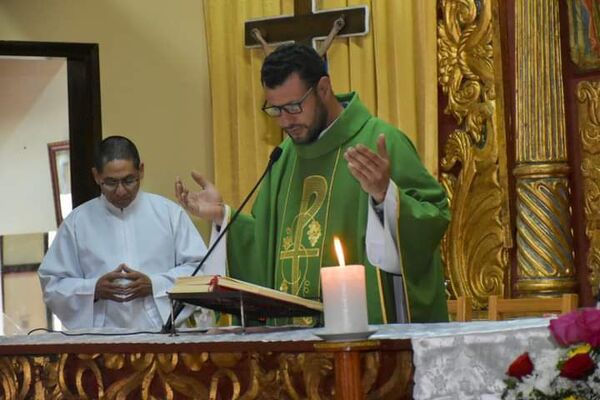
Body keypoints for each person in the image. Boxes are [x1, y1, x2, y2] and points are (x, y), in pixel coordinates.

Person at [176, 43, 450, 324]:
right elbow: (264, 242)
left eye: (294, 107)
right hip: (293, 347)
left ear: (323, 88)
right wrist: (223, 216)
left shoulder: (379, 142)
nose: (285, 121)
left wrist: (385, 197)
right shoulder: (285, 158)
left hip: (363, 340)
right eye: (275, 110)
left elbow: (434, 216)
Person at [39, 136, 222, 330]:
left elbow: (201, 270)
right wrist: (93, 289)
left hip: (162, 335)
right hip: (99, 340)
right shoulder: (76, 223)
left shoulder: (169, 214)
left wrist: (155, 284)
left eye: (129, 180)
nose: (120, 191)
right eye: (110, 182)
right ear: (96, 176)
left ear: (141, 171)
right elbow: (53, 284)